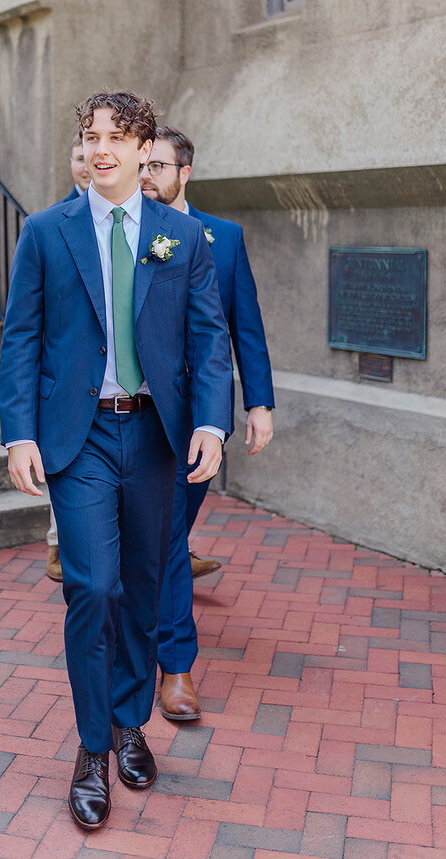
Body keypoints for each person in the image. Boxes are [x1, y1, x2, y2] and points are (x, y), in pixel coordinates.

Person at [0, 91, 232, 830]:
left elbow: (207, 339)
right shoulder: (45, 231)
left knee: (140, 585)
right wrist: (19, 433)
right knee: (92, 586)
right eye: (91, 136)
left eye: (116, 137)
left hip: (157, 434)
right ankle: (92, 746)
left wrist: (214, 425)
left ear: (143, 150)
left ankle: (133, 721)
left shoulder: (180, 237)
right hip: (81, 436)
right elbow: (21, 339)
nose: (101, 148)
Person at [140, 125, 274, 722]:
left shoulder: (223, 237)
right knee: (165, 542)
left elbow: (244, 325)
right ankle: (176, 666)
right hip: (133, 416)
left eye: (159, 167)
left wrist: (258, 403)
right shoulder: (120, 230)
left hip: (196, 422)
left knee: (168, 538)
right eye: (143, 165)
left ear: (184, 173)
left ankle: (158, 651)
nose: (147, 177)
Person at [45, 134, 93, 581]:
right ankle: (58, 545)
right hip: (69, 387)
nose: (89, 162)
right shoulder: (49, 226)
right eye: (81, 154)